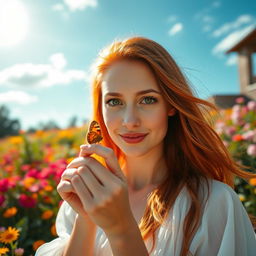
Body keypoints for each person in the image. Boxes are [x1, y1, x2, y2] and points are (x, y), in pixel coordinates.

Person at [35, 36, 256, 256]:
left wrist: (121, 230)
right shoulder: (86, 194)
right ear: (100, 109)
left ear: (170, 105)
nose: (130, 121)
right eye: (114, 101)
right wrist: (86, 217)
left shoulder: (215, 204)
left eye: (147, 99)